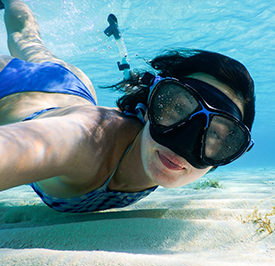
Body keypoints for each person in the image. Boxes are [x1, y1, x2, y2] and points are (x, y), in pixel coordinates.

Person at [0, 0, 255, 213]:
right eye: (178, 108)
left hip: (74, 85)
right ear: (150, 107)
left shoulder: (152, 150)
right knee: (24, 38)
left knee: (27, 39)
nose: (183, 146)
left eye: (216, 136)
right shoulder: (89, 139)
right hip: (11, 88)